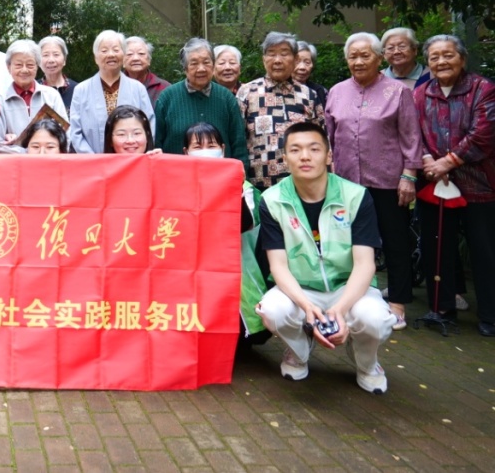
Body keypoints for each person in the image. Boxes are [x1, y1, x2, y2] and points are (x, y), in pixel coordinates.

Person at [255, 122, 395, 393]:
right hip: (300, 288)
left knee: (374, 319)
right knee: (272, 310)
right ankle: (299, 351)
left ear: (329, 155)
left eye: (314, 149)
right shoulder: (272, 200)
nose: (305, 156)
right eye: (295, 150)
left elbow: (365, 263)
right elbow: (278, 266)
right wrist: (307, 307)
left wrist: (339, 310)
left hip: (348, 287)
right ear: (285, 158)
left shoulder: (355, 196)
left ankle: (367, 364)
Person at [325, 33, 423, 331]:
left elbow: (411, 136)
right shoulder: (337, 91)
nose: (358, 61)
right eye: (352, 56)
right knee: (348, 242)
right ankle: (351, 299)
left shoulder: (397, 91)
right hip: (346, 183)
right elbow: (330, 137)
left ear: (379, 58)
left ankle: (398, 303)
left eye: (365, 55)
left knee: (395, 242)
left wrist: (409, 175)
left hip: (388, 181)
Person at [414, 34, 495, 337]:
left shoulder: (483, 89)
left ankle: (490, 315)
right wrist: (429, 162)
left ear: (462, 58)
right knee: (438, 247)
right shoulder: (421, 94)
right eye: (434, 57)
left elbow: (484, 133)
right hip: (435, 183)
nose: (441, 61)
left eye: (448, 55)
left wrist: (447, 162)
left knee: (484, 250)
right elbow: (413, 133)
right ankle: (442, 307)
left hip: (479, 184)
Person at [181, 122, 268, 343]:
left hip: (236, 272)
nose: (205, 151)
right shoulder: (178, 186)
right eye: (197, 147)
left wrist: (235, 186)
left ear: (222, 149)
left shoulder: (246, 189)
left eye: (211, 146)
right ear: (185, 152)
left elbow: (245, 224)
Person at [237, 31, 324, 191]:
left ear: (295, 59)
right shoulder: (247, 92)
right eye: (271, 54)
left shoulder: (308, 95)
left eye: (284, 54)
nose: (277, 60)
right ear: (264, 59)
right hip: (258, 185)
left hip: (301, 185)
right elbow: (238, 139)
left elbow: (320, 140)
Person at [154, 38, 248, 166]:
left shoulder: (226, 97)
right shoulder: (167, 97)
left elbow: (239, 144)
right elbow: (156, 143)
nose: (201, 68)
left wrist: (242, 172)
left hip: (220, 174)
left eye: (206, 62)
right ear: (185, 68)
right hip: (176, 173)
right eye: (194, 63)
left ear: (213, 65)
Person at [68, 31, 155, 154]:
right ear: (95, 58)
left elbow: (149, 126)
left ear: (123, 55)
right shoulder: (81, 90)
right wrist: (93, 158)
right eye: (104, 51)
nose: (111, 54)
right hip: (93, 160)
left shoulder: (138, 88)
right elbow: (75, 132)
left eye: (116, 50)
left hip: (132, 159)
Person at [0, 40, 68, 154]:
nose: (24, 70)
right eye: (18, 65)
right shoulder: (0, 99)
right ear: (8, 67)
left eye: (30, 65)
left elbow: (66, 134)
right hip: (16, 163)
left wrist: (46, 152)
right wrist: (30, 153)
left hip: (51, 161)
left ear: (37, 67)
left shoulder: (51, 95)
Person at [123, 36, 171, 107]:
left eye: (141, 53)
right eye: (129, 54)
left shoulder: (165, 88)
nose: (135, 58)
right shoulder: (114, 87)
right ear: (122, 61)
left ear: (149, 60)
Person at [38, 35, 77, 111]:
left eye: (56, 55)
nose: (51, 60)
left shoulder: (77, 90)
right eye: (45, 55)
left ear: (64, 59)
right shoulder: (32, 90)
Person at [294, 41, 328, 109]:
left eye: (307, 62)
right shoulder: (277, 89)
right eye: (297, 62)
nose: (302, 67)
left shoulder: (320, 92)